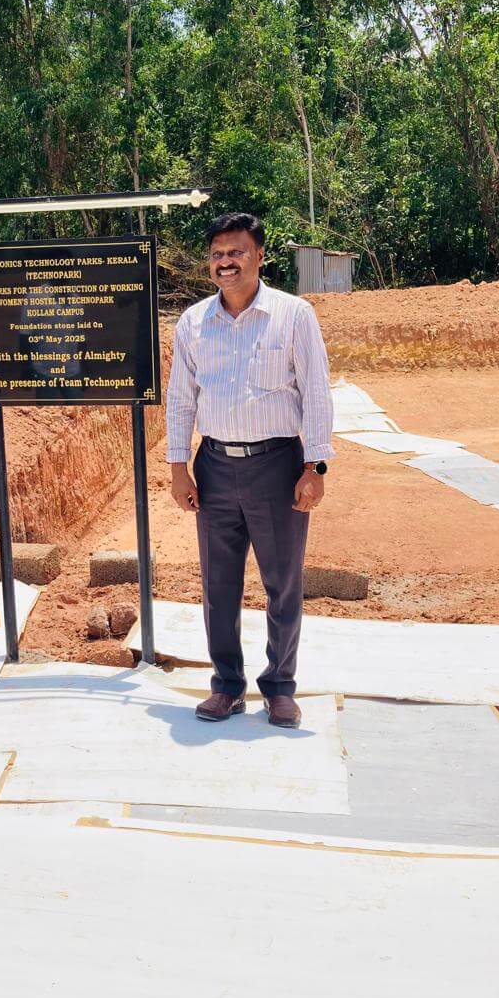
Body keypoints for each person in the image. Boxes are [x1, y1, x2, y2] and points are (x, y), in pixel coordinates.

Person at [166, 211, 334, 728]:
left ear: (259, 256)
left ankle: (280, 686)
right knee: (219, 586)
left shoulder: (293, 316)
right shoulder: (193, 323)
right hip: (214, 466)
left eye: (236, 252)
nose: (225, 263)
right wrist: (179, 467)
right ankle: (227, 686)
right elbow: (179, 400)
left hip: (277, 466)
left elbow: (317, 394)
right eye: (217, 255)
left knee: (282, 581)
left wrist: (316, 466)